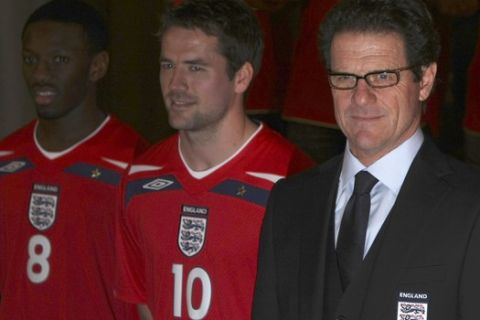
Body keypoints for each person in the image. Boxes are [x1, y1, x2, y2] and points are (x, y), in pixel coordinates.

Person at [252, 0, 480, 319]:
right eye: (345, 77)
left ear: (425, 81)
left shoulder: (471, 206)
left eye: (383, 76)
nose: (360, 97)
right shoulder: (288, 202)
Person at [113, 0, 313, 319]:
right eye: (167, 66)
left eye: (195, 67)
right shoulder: (140, 178)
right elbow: (145, 301)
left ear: (242, 77)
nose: (175, 85)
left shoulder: (292, 179)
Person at [0, 1, 147, 319]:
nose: (40, 74)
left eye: (59, 60)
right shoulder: (5, 159)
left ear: (97, 66)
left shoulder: (136, 166)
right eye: (30, 59)